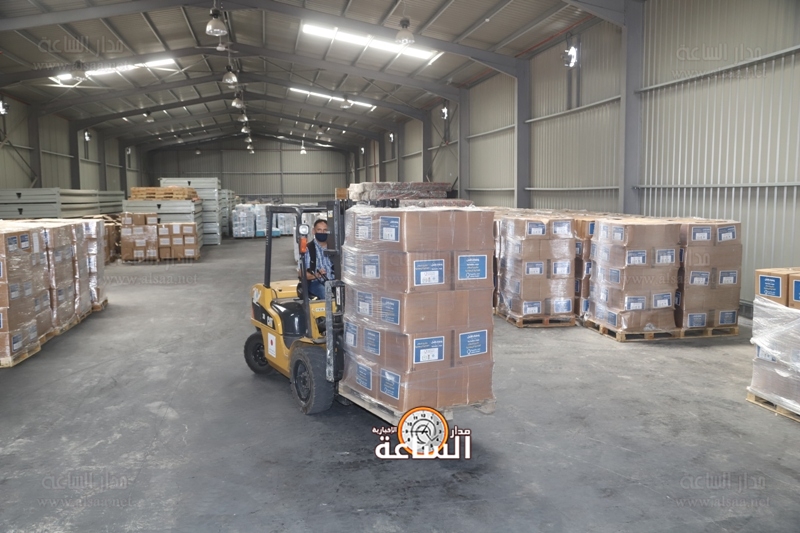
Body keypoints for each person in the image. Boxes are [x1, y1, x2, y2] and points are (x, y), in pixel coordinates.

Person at [303, 219, 334, 299]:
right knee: (327, 295)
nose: (322, 232)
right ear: (313, 231)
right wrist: (316, 275)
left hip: (334, 281)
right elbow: (301, 273)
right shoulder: (308, 249)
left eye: (325, 230)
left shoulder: (334, 248)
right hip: (316, 283)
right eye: (319, 230)